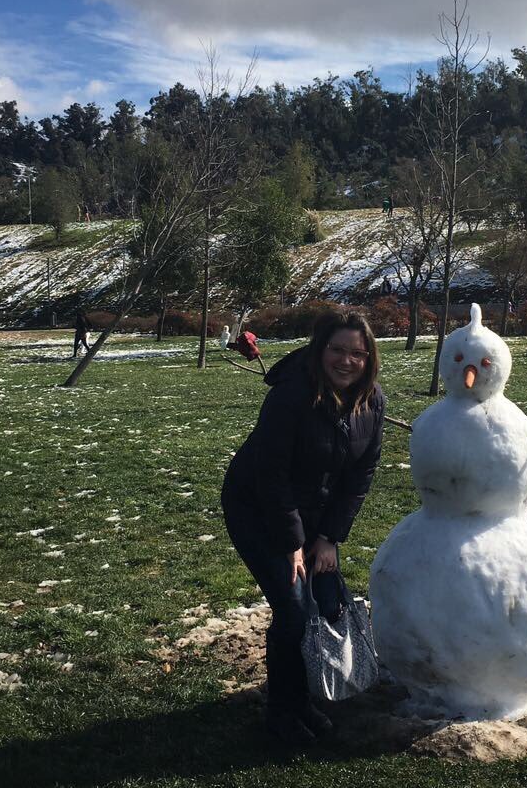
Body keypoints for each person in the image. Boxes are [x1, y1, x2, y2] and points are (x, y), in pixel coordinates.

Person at [221, 310, 385, 746]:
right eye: (337, 350)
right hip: (257, 506)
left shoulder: (372, 401)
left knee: (325, 603)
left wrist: (328, 538)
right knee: (294, 606)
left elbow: (361, 474)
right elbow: (270, 474)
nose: (346, 361)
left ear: (369, 358)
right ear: (320, 350)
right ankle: (283, 710)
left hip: (316, 516)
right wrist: (293, 544)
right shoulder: (291, 396)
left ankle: (303, 698)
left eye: (357, 353)